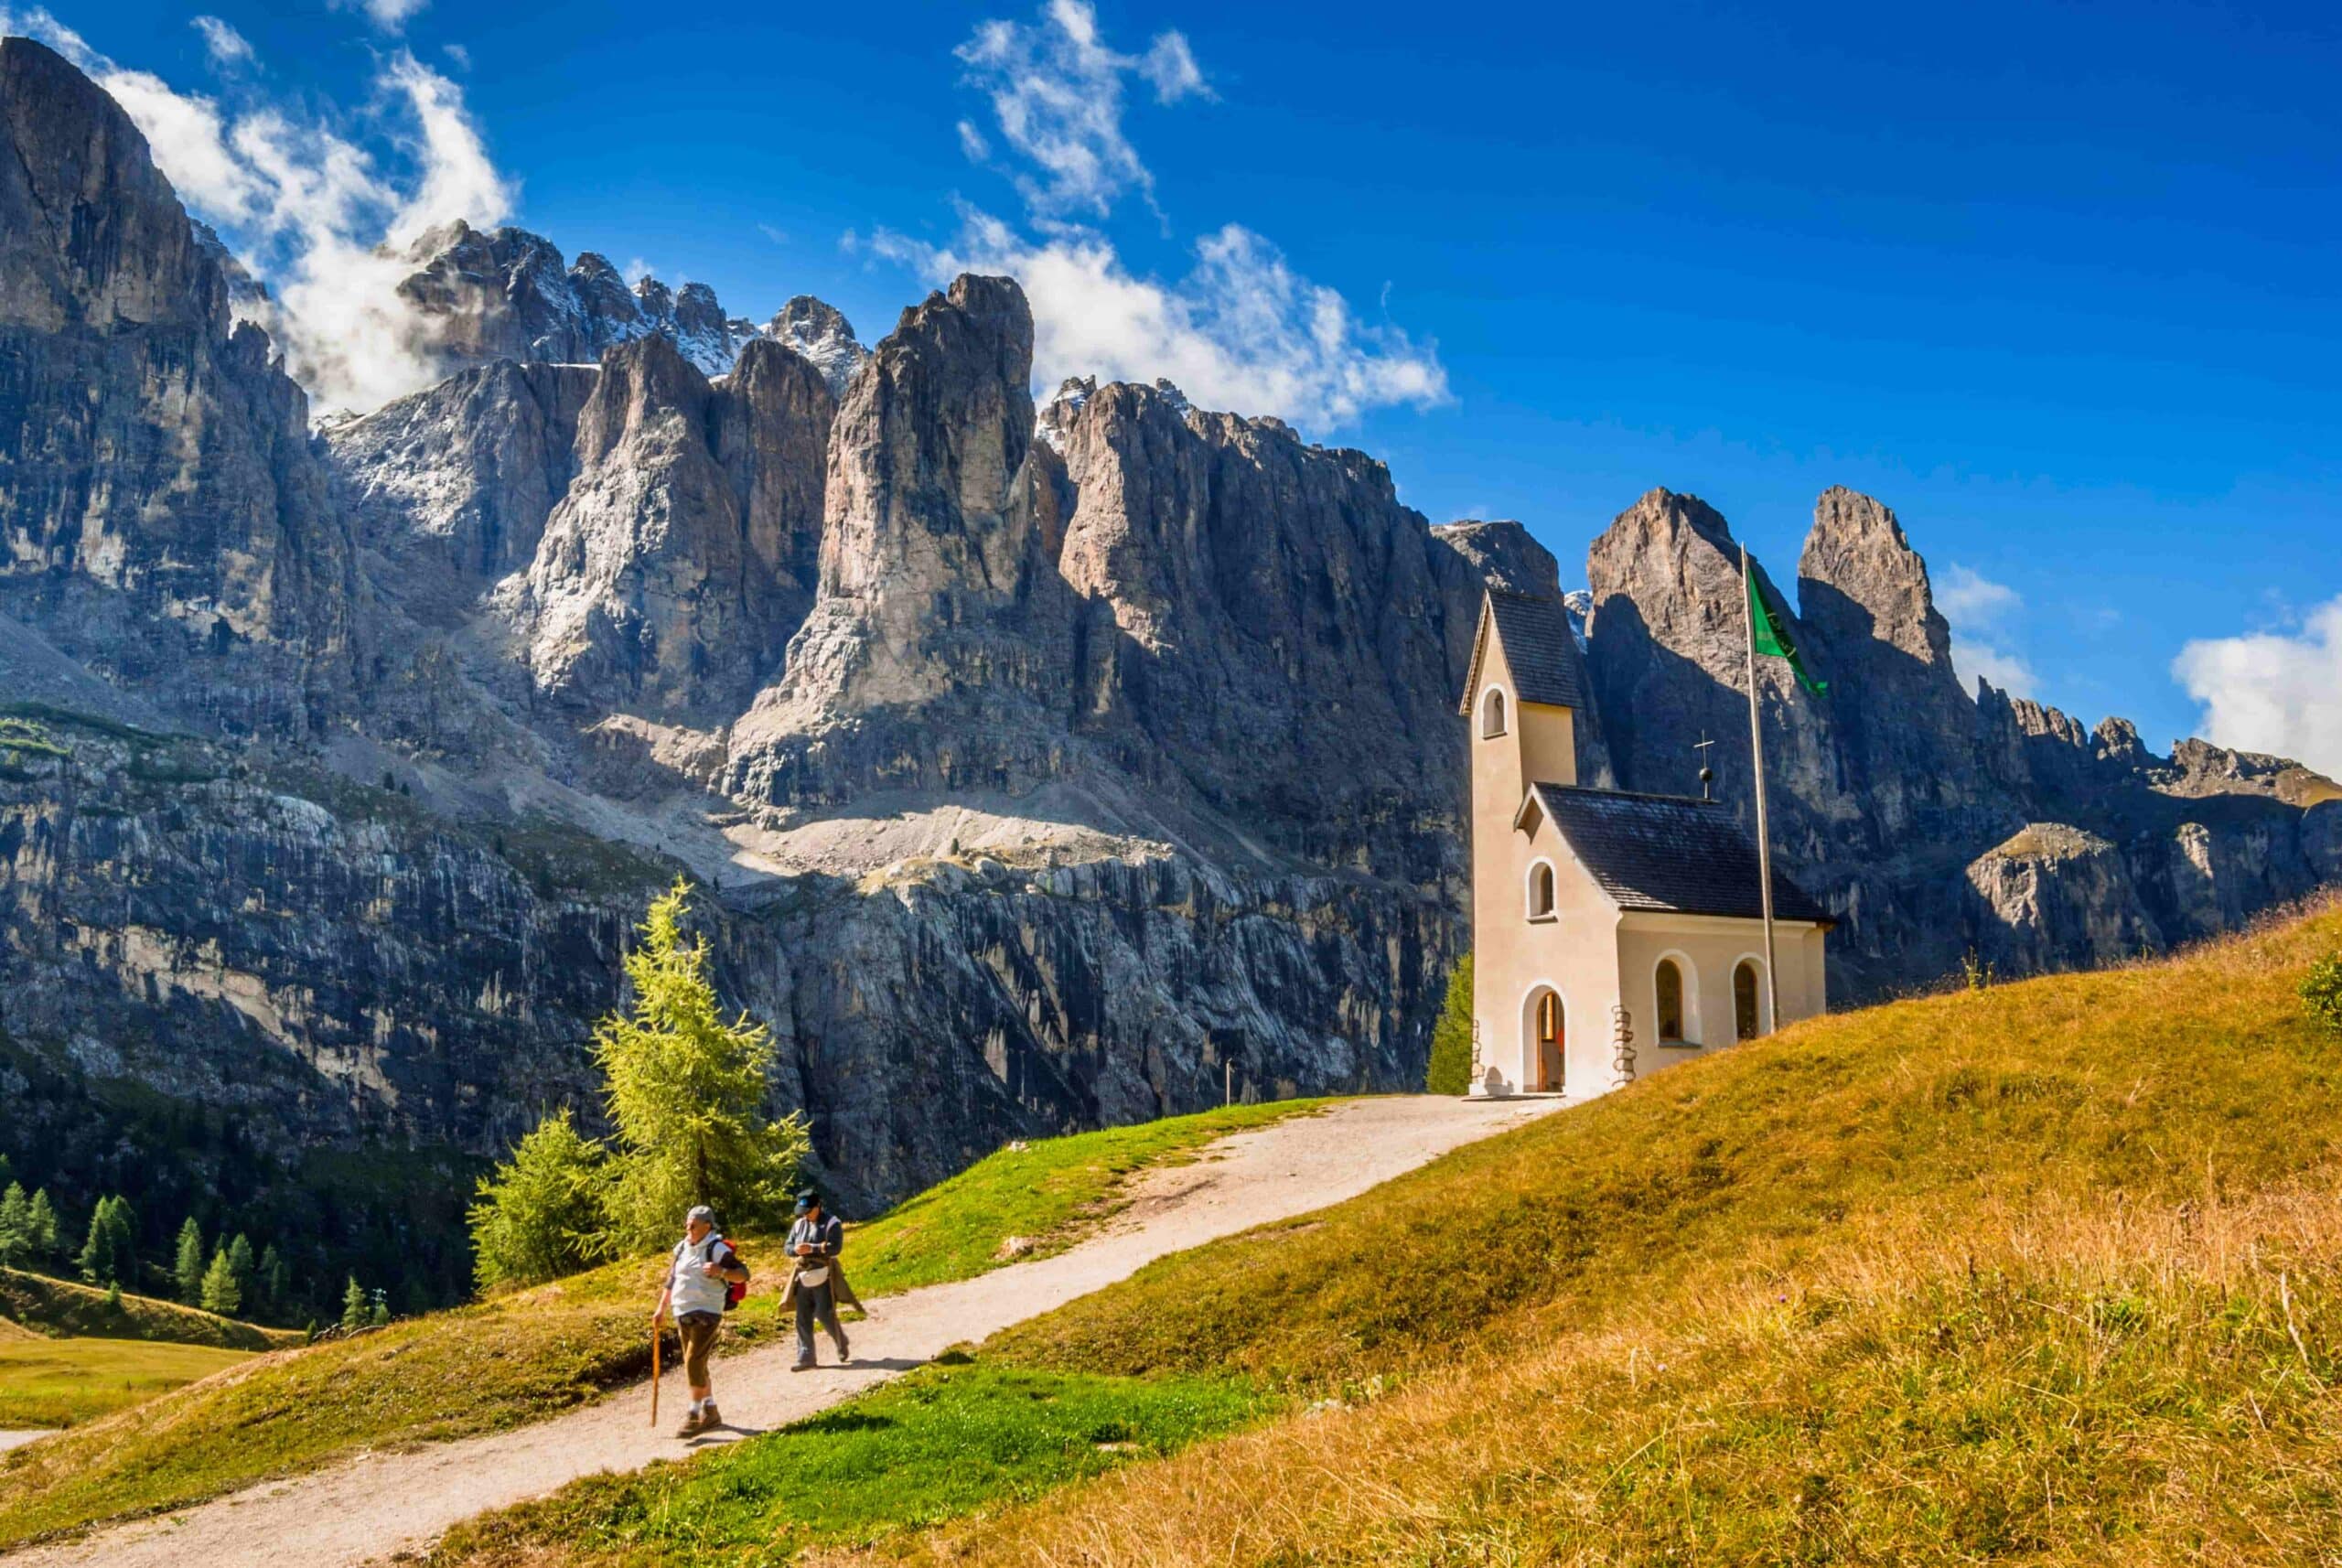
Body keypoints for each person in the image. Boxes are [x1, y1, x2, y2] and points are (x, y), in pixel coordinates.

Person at [650, 1203, 747, 1436]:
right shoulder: (682, 1249)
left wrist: (721, 1272)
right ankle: (711, 1411)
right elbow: (672, 1279)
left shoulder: (717, 1249)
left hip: (707, 1310)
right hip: (682, 1311)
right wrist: (661, 1309)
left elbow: (744, 1274)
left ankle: (693, 1415)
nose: (689, 1226)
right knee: (697, 1363)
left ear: (707, 1225)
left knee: (693, 1361)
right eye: (687, 1222)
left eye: (694, 1223)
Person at [781, 1189, 850, 1370]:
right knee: (802, 1316)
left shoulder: (832, 1223)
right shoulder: (798, 1225)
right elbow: (787, 1247)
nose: (806, 1215)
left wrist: (812, 1248)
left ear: (818, 1206)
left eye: (809, 1210)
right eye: (803, 1211)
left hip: (824, 1274)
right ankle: (806, 1357)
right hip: (802, 1275)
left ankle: (841, 1341)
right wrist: (795, 1250)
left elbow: (835, 1248)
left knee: (824, 1314)